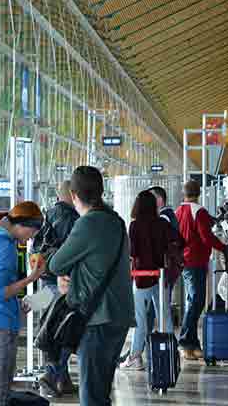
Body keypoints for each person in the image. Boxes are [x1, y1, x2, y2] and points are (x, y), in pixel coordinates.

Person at [48, 166, 135, 406]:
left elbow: (56, 264)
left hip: (98, 318)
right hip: (120, 316)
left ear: (74, 195)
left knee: (91, 396)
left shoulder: (88, 224)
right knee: (100, 391)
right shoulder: (116, 221)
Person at [0, 201, 45, 404]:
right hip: (1, 327)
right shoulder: (4, 247)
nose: (29, 239)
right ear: (23, 225)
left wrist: (19, 300)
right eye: (31, 233)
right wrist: (32, 278)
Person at [32, 180, 79, 398]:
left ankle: (63, 380)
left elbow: (36, 249)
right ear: (71, 195)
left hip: (45, 282)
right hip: (63, 282)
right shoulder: (72, 218)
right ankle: (51, 376)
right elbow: (74, 252)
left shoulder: (47, 215)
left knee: (49, 329)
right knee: (64, 331)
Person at [121, 190, 175, 371]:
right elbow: (179, 240)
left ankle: (136, 356)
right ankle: (169, 352)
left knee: (140, 319)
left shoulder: (134, 226)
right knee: (164, 316)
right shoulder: (162, 224)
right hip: (160, 277)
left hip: (141, 277)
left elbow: (133, 252)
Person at [175, 179, 226, 360]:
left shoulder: (178, 211)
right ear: (199, 192)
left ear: (184, 193)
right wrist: (224, 247)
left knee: (192, 301)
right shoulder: (199, 211)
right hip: (196, 261)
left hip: (184, 261)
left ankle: (193, 344)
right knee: (197, 301)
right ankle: (184, 341)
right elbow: (206, 237)